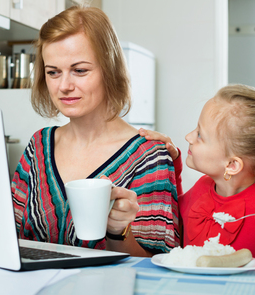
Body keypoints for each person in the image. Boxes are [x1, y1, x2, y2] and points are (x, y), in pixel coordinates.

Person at [11, 5, 181, 257]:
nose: (64, 86)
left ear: (109, 70)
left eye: (80, 70)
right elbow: (9, 234)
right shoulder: (38, 145)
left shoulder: (149, 156)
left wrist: (117, 230)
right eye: (53, 72)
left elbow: (156, 265)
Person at [140, 84, 255, 263]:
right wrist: (169, 165)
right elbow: (173, 214)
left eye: (200, 135)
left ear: (232, 165)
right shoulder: (202, 186)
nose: (189, 137)